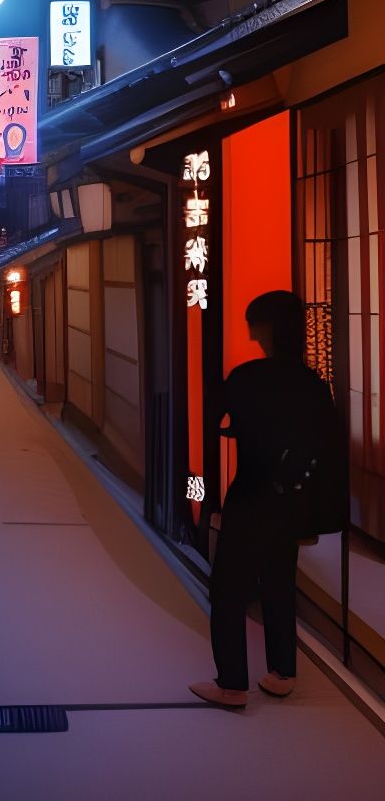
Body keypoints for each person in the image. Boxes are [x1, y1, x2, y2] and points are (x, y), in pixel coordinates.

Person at [189, 289, 344, 709]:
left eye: (253, 323)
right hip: (292, 501)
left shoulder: (248, 377)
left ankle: (232, 683)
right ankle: (282, 672)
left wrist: (237, 427)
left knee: (228, 588)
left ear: (267, 328)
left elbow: (216, 414)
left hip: (252, 493)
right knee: (278, 584)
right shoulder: (313, 383)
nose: (250, 331)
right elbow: (326, 446)